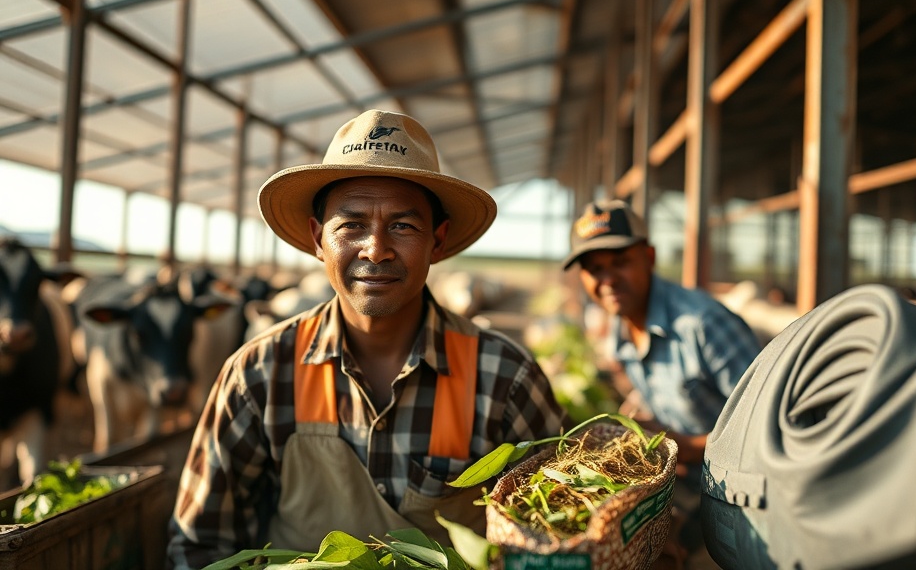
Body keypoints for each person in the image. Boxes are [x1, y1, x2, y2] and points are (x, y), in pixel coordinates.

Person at [167, 109, 568, 568]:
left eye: (403, 225)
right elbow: (200, 546)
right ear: (319, 239)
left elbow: (558, 540)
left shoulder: (504, 378)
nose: (376, 249)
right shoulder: (259, 372)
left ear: (437, 242)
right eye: (351, 225)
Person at [562, 199, 761, 564]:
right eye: (594, 269)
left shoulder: (703, 325)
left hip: (745, 496)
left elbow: (768, 432)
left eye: (620, 261)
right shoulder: (621, 327)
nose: (607, 280)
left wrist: (685, 446)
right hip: (688, 480)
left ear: (649, 257)